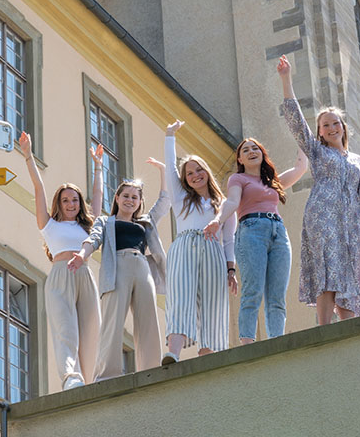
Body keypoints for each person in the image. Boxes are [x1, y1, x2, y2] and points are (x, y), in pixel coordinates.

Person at [277, 55, 360, 325]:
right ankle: (324, 326)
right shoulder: (316, 151)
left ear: (343, 127)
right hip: (323, 215)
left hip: (351, 221)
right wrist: (286, 79)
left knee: (350, 268)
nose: (330, 127)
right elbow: (295, 122)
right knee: (327, 266)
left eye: (335, 122)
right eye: (325, 125)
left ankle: (349, 328)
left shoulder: (357, 161)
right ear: (320, 132)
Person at [68, 163, 170, 381]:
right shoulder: (106, 221)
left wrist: (163, 170)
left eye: (135, 197)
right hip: (118, 269)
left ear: (140, 202)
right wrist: (82, 255)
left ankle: (151, 371)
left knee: (148, 320)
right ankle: (107, 374)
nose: (130, 200)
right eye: (126, 195)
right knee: (112, 323)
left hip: (142, 267)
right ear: (117, 198)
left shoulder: (145, 222)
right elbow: (94, 238)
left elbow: (164, 202)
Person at [18, 131, 102, 390]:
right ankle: (70, 377)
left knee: (91, 330)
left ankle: (90, 381)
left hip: (85, 276)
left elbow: (98, 200)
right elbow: (38, 187)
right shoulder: (49, 225)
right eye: (65, 200)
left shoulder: (88, 227)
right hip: (60, 276)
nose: (70, 204)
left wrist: (99, 168)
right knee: (65, 328)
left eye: (75, 200)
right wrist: (28, 156)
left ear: (79, 204)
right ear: (59, 203)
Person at [204, 137, 307, 344]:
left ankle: (277, 342)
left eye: (255, 148)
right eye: (246, 150)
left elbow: (300, 167)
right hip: (252, 231)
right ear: (240, 159)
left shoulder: (273, 181)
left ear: (262, 154)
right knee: (253, 291)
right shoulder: (238, 179)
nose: (251, 151)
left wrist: (302, 137)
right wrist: (218, 220)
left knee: (277, 296)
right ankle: (247, 345)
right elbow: (232, 201)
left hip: (278, 232)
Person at [161, 120, 238, 364]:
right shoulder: (181, 198)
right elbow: (170, 169)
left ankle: (209, 355)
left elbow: (228, 240)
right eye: (190, 173)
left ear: (206, 171)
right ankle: (173, 352)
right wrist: (170, 135)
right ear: (185, 179)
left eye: (198, 170)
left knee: (213, 301)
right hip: (185, 247)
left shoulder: (223, 206)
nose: (195, 175)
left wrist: (231, 269)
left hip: (213, 251)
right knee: (181, 296)